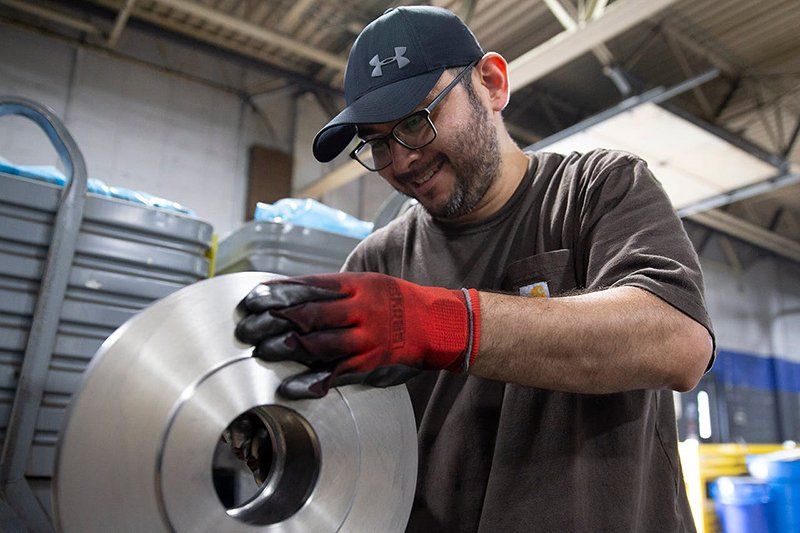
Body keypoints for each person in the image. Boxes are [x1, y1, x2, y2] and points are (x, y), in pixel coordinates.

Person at [234, 6, 715, 531]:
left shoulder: (596, 190)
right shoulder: (377, 261)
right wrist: (288, 437)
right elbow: (355, 435)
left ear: (491, 83)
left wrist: (436, 323)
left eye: (415, 122)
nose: (400, 162)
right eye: (376, 142)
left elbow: (677, 342)